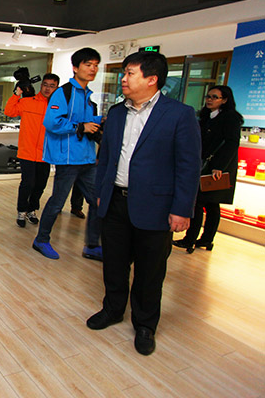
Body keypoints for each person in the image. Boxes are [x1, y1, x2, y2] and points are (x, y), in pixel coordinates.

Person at [87, 51, 201, 356]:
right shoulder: (117, 113)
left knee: (150, 271)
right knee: (114, 263)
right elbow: (106, 157)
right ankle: (112, 310)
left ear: (152, 79)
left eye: (130, 73)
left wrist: (182, 209)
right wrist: (101, 191)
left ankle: (145, 324)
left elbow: (189, 166)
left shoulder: (179, 114)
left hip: (156, 206)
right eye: (124, 73)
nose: (123, 79)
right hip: (115, 201)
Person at [32, 47, 104, 260]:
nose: (93, 69)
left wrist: (98, 122)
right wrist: (81, 127)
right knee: (57, 202)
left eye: (95, 65)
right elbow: (52, 122)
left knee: (98, 202)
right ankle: (41, 240)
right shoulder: (63, 93)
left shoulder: (88, 96)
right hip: (68, 160)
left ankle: (92, 245)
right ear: (75, 67)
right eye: (88, 65)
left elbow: (86, 123)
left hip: (88, 159)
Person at [173, 85, 243, 253]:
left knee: (205, 202)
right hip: (203, 164)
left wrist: (219, 167)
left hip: (217, 168)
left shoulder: (231, 118)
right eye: (208, 96)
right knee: (208, 203)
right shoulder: (205, 116)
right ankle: (202, 240)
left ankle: (194, 239)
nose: (210, 100)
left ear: (224, 100)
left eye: (214, 97)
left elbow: (232, 143)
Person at [4, 73, 59, 227]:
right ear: (41, 85)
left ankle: (31, 210)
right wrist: (17, 94)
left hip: (45, 153)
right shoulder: (27, 102)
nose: (47, 88)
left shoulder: (58, 106)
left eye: (52, 86)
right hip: (27, 151)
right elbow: (9, 111)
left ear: (57, 88)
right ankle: (21, 211)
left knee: (40, 185)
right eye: (45, 85)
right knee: (27, 183)